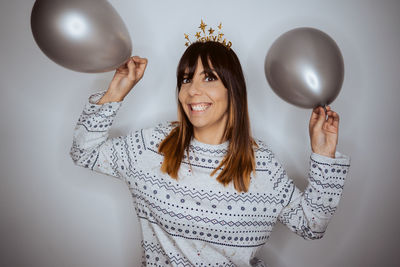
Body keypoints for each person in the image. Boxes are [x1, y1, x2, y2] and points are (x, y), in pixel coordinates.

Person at [70, 40, 351, 266]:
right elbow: (84, 152)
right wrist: (116, 91)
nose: (193, 90)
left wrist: (323, 155)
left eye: (209, 78)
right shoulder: (153, 146)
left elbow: (311, 225)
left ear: (233, 90)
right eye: (185, 78)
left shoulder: (261, 164)